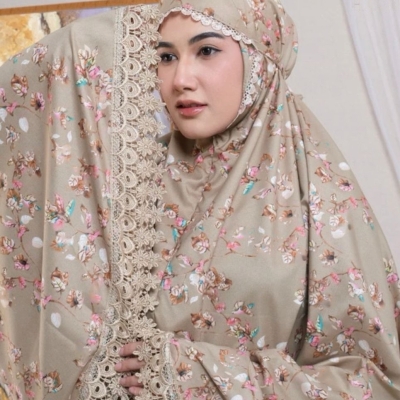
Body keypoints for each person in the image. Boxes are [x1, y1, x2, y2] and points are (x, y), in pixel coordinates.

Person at [0, 2, 399, 400]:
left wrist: (196, 376)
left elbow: (378, 383)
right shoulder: (124, 180)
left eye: (206, 51)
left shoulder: (321, 196)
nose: (180, 79)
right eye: (165, 57)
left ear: (258, 59)